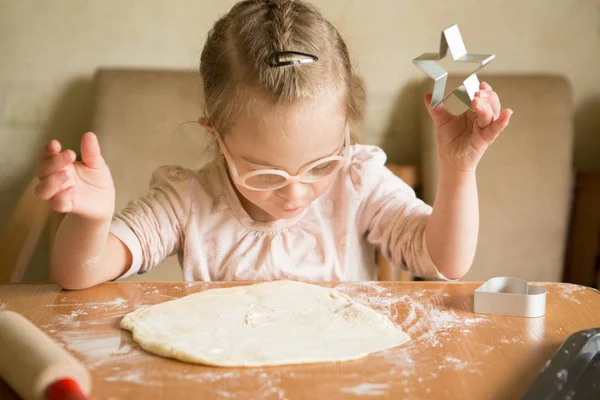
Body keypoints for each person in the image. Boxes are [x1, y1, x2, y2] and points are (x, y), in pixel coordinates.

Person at [34, 0, 512, 290]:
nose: (294, 195)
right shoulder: (187, 204)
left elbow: (446, 260)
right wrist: (92, 221)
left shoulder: (357, 181)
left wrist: (459, 170)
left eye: (320, 166)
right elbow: (80, 272)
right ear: (215, 138)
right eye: (264, 174)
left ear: (346, 129)